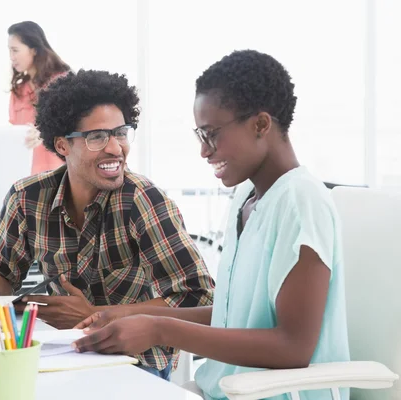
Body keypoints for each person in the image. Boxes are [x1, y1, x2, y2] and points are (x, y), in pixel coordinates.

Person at [72, 50, 350, 400]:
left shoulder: (301, 202)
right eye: (199, 135)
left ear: (261, 125)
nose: (204, 151)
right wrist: (124, 315)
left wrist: (159, 329)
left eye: (212, 134)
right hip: (222, 391)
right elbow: (230, 316)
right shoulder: (247, 197)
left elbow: (292, 347)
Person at [0, 70, 215, 380]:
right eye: (97, 137)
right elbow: (5, 281)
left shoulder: (141, 200)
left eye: (120, 132)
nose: (116, 148)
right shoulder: (27, 199)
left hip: (133, 363)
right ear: (63, 145)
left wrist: (99, 316)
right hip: (59, 353)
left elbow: (198, 298)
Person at [7, 21, 70, 175]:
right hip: (27, 177)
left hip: (61, 175)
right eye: (9, 51)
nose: (11, 57)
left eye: (15, 50)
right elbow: (14, 137)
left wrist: (45, 132)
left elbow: (77, 129)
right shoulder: (18, 91)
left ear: (34, 50)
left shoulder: (62, 82)